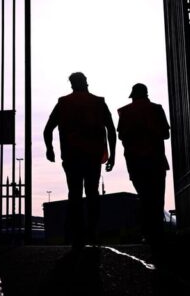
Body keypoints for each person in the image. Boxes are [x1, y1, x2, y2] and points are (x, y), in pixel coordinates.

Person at [44, 72, 116, 248]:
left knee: (74, 194)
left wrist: (50, 149)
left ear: (71, 85)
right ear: (86, 82)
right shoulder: (99, 102)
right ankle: (93, 232)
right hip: (93, 155)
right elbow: (112, 130)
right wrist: (112, 155)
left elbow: (48, 129)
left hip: (71, 156)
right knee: (92, 193)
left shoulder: (63, 103)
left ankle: (78, 236)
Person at [117, 83, 170, 250]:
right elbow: (166, 134)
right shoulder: (157, 109)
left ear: (132, 96)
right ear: (146, 94)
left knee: (144, 197)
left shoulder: (124, 111)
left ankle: (147, 233)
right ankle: (157, 233)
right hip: (155, 160)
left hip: (135, 161)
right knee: (157, 197)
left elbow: (121, 136)